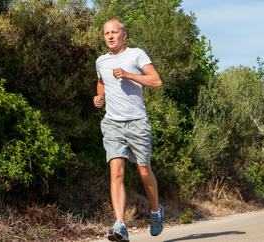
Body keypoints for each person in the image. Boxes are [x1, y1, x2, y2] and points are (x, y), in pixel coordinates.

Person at [93, 18, 164, 242]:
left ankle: (155, 212)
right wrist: (100, 97)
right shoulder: (101, 61)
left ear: (124, 35)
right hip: (112, 123)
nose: (110, 36)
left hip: (137, 122)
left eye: (115, 32)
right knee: (116, 171)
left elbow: (156, 81)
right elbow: (101, 81)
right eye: (107, 33)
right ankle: (120, 225)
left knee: (144, 172)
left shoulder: (136, 54)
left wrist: (129, 75)